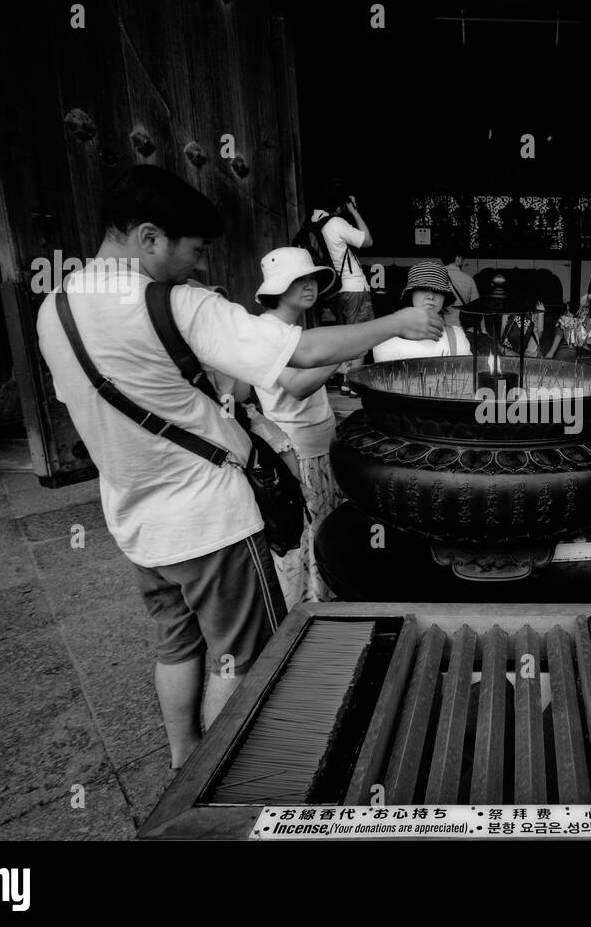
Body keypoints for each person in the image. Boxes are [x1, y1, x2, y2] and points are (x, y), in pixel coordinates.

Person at [35, 166, 442, 771]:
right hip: (211, 523)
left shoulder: (55, 309)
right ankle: (226, 779)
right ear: (150, 238)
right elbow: (298, 353)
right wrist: (397, 324)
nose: (198, 267)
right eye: (193, 251)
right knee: (243, 656)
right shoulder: (170, 303)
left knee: (176, 644)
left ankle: (183, 762)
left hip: (136, 524)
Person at [251, 247, 343, 608]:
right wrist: (339, 356)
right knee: (306, 534)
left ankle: (325, 597)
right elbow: (297, 385)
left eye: (312, 279)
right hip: (296, 453)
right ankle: (307, 610)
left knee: (324, 529)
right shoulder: (265, 331)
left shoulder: (294, 329)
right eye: (299, 279)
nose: (310, 286)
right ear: (278, 286)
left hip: (322, 444)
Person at [312, 189, 374, 396]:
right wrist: (354, 211)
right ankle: (352, 382)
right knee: (361, 335)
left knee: (344, 336)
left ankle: (345, 379)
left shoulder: (313, 223)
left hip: (334, 290)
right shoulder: (335, 223)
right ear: (337, 206)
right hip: (353, 287)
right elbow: (367, 241)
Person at [372, 261, 473, 362]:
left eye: (438, 291)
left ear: (444, 297)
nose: (431, 297)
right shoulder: (387, 339)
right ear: (411, 294)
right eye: (423, 289)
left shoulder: (457, 336)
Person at [441, 245, 480, 328]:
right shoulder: (469, 279)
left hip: (440, 326)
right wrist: (483, 330)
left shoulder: (436, 277)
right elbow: (476, 307)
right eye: (462, 258)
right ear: (458, 258)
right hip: (462, 326)